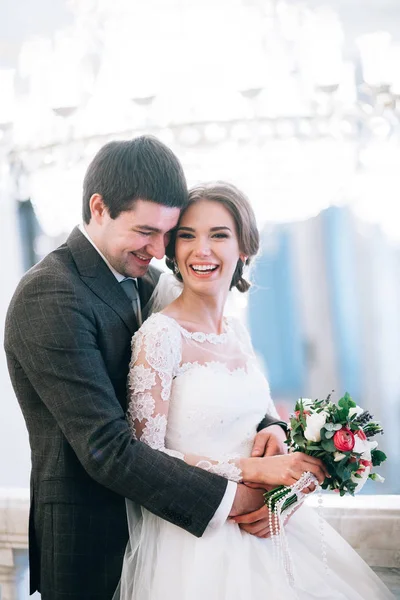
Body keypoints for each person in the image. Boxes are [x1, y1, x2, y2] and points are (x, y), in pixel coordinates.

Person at [4, 137, 287, 600]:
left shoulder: (151, 279)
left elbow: (207, 376)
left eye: (167, 234)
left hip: (175, 543)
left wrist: (270, 428)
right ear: (99, 207)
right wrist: (242, 498)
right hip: (96, 546)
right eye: (145, 231)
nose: (159, 250)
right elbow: (107, 450)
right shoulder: (50, 295)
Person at [119, 181, 394, 600]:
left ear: (244, 248)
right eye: (188, 236)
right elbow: (146, 456)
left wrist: (282, 447)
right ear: (172, 249)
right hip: (199, 544)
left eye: (219, 235)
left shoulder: (237, 332)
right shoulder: (159, 336)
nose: (201, 250)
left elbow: (260, 420)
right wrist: (253, 470)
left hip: (272, 529)